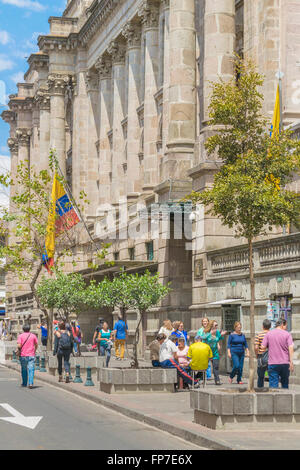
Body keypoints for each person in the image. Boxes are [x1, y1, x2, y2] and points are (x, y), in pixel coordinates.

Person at [261, 318, 294, 389]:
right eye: (285, 326)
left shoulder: (269, 334)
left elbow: (263, 347)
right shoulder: (287, 334)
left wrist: (270, 346)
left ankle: (274, 399)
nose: (286, 328)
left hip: (273, 363)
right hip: (285, 363)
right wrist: (291, 362)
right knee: (285, 383)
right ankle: (285, 398)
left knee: (273, 385)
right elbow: (291, 348)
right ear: (282, 325)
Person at [202, 320, 225, 385]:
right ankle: (202, 379)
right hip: (207, 352)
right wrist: (210, 333)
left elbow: (219, 339)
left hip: (215, 352)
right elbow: (203, 338)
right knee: (204, 367)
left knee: (216, 366)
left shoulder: (217, 332)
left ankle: (217, 380)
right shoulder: (207, 332)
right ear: (211, 325)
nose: (216, 326)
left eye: (217, 325)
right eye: (215, 325)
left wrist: (221, 335)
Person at [17, 324, 38, 389]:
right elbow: (36, 344)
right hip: (31, 354)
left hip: (23, 355)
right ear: (29, 329)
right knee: (31, 369)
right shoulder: (33, 335)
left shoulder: (20, 336)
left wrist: (18, 349)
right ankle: (31, 383)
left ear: (23, 329)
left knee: (24, 369)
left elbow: (19, 346)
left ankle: (24, 383)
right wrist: (34, 350)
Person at [255, 319, 272, 388]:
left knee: (260, 375)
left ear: (262, 326)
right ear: (270, 326)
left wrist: (256, 354)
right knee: (272, 375)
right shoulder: (272, 334)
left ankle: (260, 389)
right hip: (272, 357)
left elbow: (256, 347)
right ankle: (272, 389)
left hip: (261, 356)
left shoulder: (258, 335)